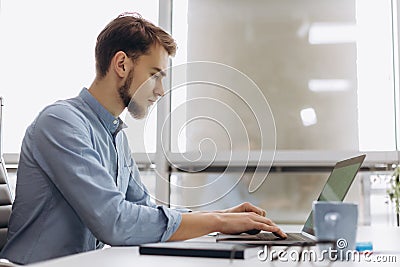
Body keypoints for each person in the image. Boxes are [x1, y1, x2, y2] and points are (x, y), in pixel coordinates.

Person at [0, 13, 286, 264]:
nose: (161, 90)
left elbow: (144, 211)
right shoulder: (61, 123)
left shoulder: (115, 136)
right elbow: (114, 221)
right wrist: (218, 222)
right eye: (155, 75)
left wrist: (221, 217)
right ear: (122, 64)